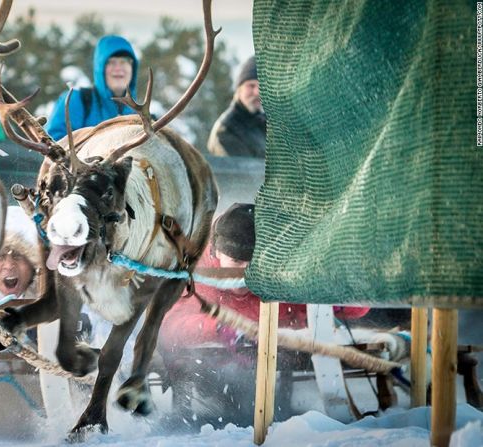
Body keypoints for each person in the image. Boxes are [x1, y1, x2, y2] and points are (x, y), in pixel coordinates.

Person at [158, 203, 370, 429]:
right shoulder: (196, 270)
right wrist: (221, 327)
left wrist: (333, 295)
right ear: (216, 252)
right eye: (236, 262)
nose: (244, 273)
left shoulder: (281, 271)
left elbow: (358, 305)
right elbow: (171, 327)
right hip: (211, 366)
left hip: (273, 357)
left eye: (254, 264)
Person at [45, 35, 139, 141]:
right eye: (111, 62)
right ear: (100, 68)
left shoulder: (140, 115)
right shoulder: (76, 101)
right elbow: (53, 145)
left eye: (124, 61)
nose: (118, 68)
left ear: (133, 68)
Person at [206, 56, 265, 157]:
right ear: (239, 89)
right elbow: (245, 171)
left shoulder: (264, 123)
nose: (257, 92)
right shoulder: (226, 130)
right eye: (251, 86)